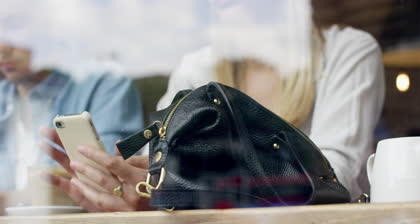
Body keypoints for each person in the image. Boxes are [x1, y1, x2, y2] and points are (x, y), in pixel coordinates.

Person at [40, 0, 385, 211]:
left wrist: (179, 187)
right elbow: (162, 169)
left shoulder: (348, 51)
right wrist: (133, 181)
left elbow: (335, 181)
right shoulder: (196, 68)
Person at [0, 42, 144, 193]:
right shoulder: (5, 97)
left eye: (17, 31)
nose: (3, 48)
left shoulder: (105, 86)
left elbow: (110, 181)